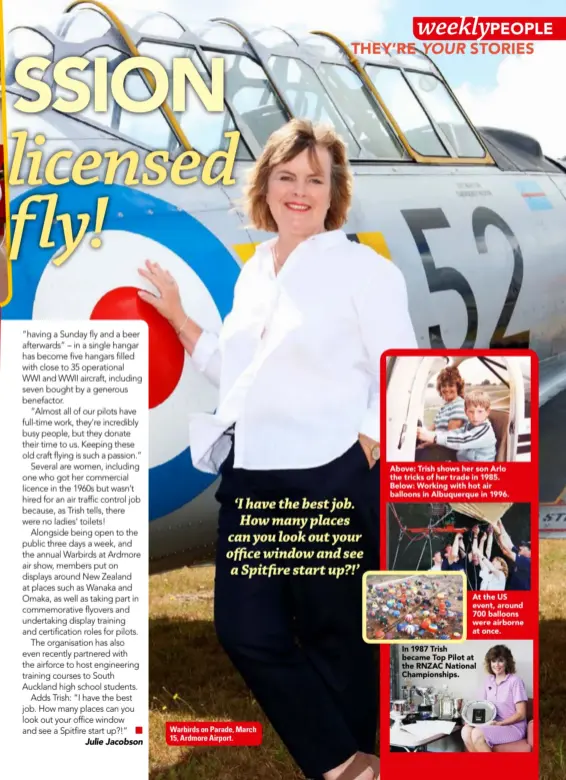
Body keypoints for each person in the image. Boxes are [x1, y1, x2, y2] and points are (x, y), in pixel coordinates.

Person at [138, 119, 418, 780]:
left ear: (333, 192)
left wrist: (364, 449)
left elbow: (402, 367)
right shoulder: (255, 271)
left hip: (329, 476)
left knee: (336, 641)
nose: (299, 192)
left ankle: (360, 764)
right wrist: (180, 318)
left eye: (314, 180)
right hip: (253, 476)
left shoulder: (364, 270)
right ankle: (344, 761)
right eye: (286, 177)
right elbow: (240, 375)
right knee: (247, 633)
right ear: (266, 185)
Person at [462, 645, 529, 752]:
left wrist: (502, 723)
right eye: (493, 661)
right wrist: (470, 721)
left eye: (500, 661)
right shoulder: (487, 681)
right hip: (492, 724)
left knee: (477, 734)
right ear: (490, 663)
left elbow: (521, 714)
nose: (496, 665)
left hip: (513, 727)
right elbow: (481, 706)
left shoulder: (515, 681)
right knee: (465, 732)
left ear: (507, 662)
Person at [417, 389, 497, 462]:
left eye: (480, 411)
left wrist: (434, 438)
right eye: (471, 412)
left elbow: (461, 440)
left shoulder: (485, 431)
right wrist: (432, 435)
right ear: (465, 412)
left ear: (487, 412)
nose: (475, 416)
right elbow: (454, 433)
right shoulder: (470, 425)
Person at [494, 519, 531, 590]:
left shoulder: (528, 562)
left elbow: (506, 551)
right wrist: (500, 523)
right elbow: (508, 543)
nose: (520, 547)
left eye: (524, 546)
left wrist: (498, 533)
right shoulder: (521, 556)